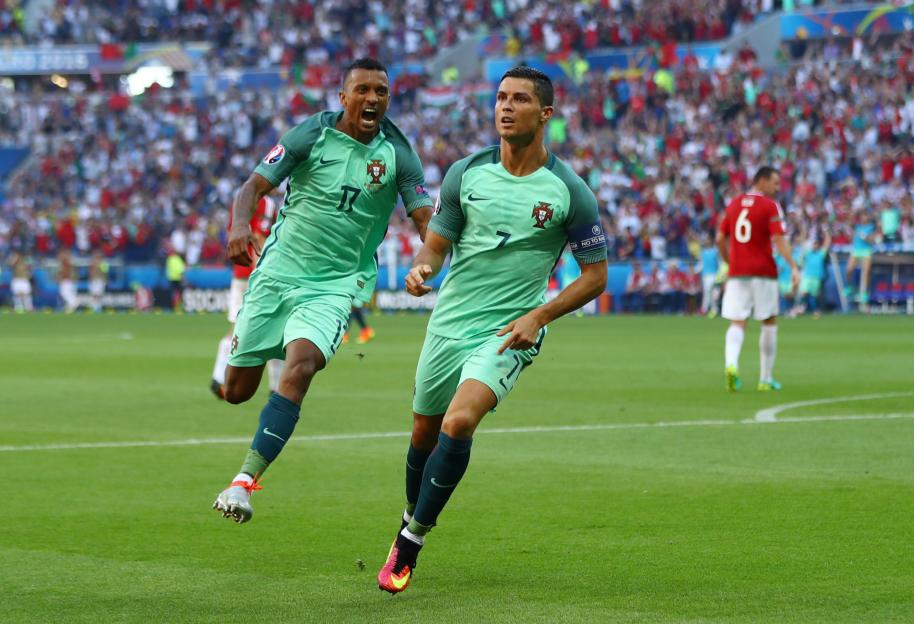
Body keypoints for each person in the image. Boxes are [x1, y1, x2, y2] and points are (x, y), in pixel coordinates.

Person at [376, 66, 608, 594]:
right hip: (449, 323)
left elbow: (595, 276)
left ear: (544, 114)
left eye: (520, 99)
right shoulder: (465, 173)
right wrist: (422, 269)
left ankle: (412, 538)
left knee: (459, 423)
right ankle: (412, 515)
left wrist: (538, 316)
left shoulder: (570, 191)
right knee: (422, 434)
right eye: (501, 97)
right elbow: (435, 244)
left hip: (509, 330)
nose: (505, 107)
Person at [212, 58, 433, 524]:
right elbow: (253, 185)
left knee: (303, 363)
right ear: (344, 97)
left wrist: (427, 260)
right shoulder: (311, 134)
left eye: (382, 92)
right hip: (277, 273)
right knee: (236, 392)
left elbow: (426, 220)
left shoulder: (398, 153)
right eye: (363, 90)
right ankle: (237, 352)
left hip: (334, 285)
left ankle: (244, 482)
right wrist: (238, 226)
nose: (373, 99)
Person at [716, 166, 800, 392]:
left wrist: (729, 262)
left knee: (737, 321)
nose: (777, 187)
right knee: (769, 321)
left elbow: (719, 238)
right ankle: (765, 378)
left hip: (737, 272)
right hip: (763, 272)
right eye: (774, 182)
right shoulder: (770, 206)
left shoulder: (734, 204)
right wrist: (793, 266)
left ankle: (731, 365)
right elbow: (779, 239)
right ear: (761, 181)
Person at [210, 189, 283, 399]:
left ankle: (218, 379)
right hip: (256, 274)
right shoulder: (266, 202)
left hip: (238, 273)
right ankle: (277, 388)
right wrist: (259, 276)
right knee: (276, 328)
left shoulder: (242, 199)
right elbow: (259, 238)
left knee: (235, 327)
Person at [796, 231, 831, 318]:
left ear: (818, 245)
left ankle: (815, 311)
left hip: (816, 278)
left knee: (813, 296)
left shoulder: (820, 254)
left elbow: (827, 243)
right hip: (807, 277)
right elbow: (803, 242)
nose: (814, 246)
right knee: (803, 293)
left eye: (816, 244)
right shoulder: (808, 253)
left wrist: (826, 233)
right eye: (813, 244)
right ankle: (801, 308)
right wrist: (803, 230)